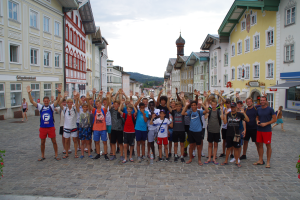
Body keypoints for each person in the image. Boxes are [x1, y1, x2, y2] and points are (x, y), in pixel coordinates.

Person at [27, 85, 61, 161]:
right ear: (43, 101)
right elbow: (32, 101)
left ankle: (56, 155)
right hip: (43, 128)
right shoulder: (40, 107)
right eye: (44, 101)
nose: (46, 102)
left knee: (54, 141)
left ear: (49, 101)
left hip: (51, 127)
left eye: (47, 101)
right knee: (42, 142)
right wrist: (29, 93)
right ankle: (42, 155)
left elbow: (58, 100)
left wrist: (59, 92)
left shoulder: (51, 107)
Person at [221, 102, 249, 167]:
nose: (233, 108)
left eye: (234, 107)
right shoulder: (228, 114)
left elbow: (247, 120)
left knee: (236, 148)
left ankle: (237, 162)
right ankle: (226, 161)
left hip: (236, 134)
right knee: (228, 148)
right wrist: (225, 114)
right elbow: (225, 122)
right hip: (229, 133)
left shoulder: (239, 114)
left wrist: (244, 113)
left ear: (236, 107)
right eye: (232, 107)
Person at [181, 99, 209, 165]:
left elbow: (207, 111)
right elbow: (182, 113)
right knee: (191, 145)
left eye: (194, 105)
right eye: (192, 105)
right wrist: (186, 105)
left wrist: (202, 104)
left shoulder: (199, 112)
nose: (193, 106)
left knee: (199, 146)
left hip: (198, 131)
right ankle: (190, 159)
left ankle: (199, 160)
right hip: (191, 131)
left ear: (196, 105)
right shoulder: (190, 112)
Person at [255, 96, 277, 168]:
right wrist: (257, 121)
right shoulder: (258, 109)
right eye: (261, 100)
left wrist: (266, 123)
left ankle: (268, 162)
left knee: (268, 146)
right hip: (259, 129)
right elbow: (257, 117)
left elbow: (274, 119)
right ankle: (260, 160)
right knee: (260, 145)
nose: (262, 101)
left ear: (266, 101)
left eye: (264, 100)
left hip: (267, 130)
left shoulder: (270, 109)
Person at [62, 92, 80, 159]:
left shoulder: (74, 108)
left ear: (72, 103)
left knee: (75, 140)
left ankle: (75, 153)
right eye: (68, 102)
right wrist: (63, 97)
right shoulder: (65, 109)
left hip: (73, 127)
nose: (70, 103)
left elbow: (78, 105)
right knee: (66, 141)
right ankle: (66, 153)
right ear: (67, 103)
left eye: (71, 102)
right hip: (67, 127)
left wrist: (77, 98)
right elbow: (59, 103)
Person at [205, 99, 223, 165]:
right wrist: (207, 110)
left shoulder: (218, 111)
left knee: (215, 145)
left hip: (216, 130)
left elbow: (222, 118)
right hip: (210, 129)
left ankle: (214, 158)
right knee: (210, 145)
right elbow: (205, 117)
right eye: (212, 104)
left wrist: (221, 110)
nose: (213, 106)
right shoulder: (209, 111)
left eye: (214, 104)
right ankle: (209, 157)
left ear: (216, 105)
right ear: (211, 105)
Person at [167, 96, 185, 163]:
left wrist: (183, 99)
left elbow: (185, 105)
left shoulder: (182, 112)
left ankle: (182, 156)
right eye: (177, 106)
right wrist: (168, 99)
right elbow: (168, 107)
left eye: (179, 106)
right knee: (175, 144)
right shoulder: (174, 112)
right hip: (175, 130)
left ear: (181, 106)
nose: (178, 107)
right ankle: (175, 155)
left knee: (182, 144)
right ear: (175, 107)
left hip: (181, 130)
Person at [78, 92, 93, 159]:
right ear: (82, 107)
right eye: (84, 107)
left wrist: (87, 99)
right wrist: (77, 98)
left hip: (88, 128)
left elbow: (90, 106)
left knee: (88, 141)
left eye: (86, 107)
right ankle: (82, 154)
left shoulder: (89, 111)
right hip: (82, 128)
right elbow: (76, 106)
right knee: (82, 142)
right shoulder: (80, 111)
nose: (85, 108)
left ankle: (89, 153)